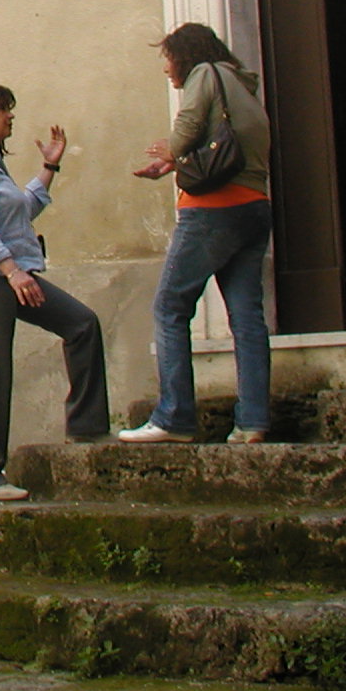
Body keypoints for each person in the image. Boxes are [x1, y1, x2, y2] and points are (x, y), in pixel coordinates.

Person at [0, 84, 110, 500]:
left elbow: (17, 214)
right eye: (3, 110)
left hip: (7, 273)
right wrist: (12, 271)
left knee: (82, 325)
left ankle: (88, 430)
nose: (10, 117)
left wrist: (49, 167)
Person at [121, 22, 274, 445]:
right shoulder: (243, 84)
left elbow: (188, 127)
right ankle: (253, 421)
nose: (167, 69)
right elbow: (231, 144)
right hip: (254, 207)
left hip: (212, 211)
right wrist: (174, 163)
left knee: (170, 307)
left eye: (168, 58)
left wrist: (172, 150)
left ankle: (174, 417)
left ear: (186, 54)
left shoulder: (204, 73)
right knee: (246, 319)